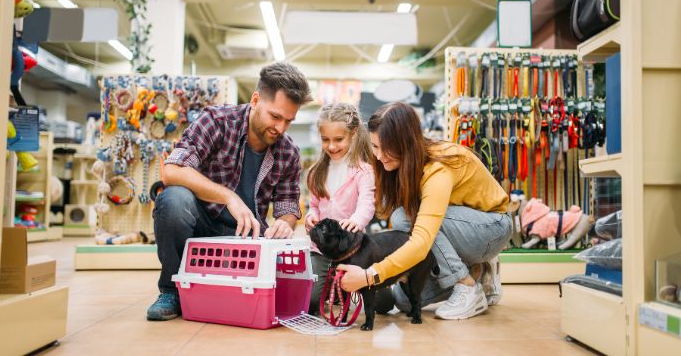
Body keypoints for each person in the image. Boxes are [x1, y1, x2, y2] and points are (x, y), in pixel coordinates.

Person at [147, 62, 312, 321]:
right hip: (200, 227)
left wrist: (284, 223)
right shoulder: (217, 121)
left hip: (245, 238)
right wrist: (228, 196)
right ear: (256, 100)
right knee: (173, 200)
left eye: (288, 121)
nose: (280, 128)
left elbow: (289, 206)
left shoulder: (288, 152)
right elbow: (172, 171)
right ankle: (171, 290)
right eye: (275, 116)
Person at [337, 102, 511, 320]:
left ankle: (465, 285)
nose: (379, 155)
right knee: (404, 300)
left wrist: (370, 276)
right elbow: (382, 211)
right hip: (461, 231)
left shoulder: (437, 169)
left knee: (406, 216)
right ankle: (478, 272)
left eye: (386, 147)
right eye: (375, 146)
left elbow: (421, 242)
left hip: (492, 228)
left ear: (405, 142)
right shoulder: (400, 165)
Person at [304, 103, 375, 316]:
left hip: (353, 250)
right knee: (312, 301)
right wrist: (311, 216)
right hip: (322, 251)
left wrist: (357, 220)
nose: (332, 146)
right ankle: (332, 287)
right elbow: (314, 205)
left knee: (383, 303)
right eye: (325, 140)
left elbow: (367, 203)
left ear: (353, 134)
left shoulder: (363, 171)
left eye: (338, 140)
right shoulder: (317, 171)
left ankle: (343, 287)